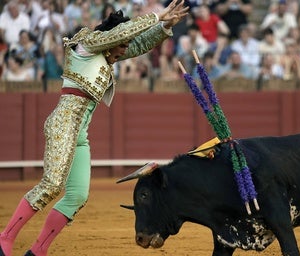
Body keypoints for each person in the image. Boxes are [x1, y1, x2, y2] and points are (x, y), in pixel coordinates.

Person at [0, 1, 188, 255]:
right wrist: (156, 16)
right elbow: (121, 36)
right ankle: (5, 239)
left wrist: (165, 26)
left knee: (77, 195)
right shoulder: (87, 44)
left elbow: (138, 44)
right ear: (110, 39)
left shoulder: (106, 53)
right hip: (63, 123)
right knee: (52, 185)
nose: (124, 52)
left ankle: (38, 251)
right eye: (120, 46)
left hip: (80, 132)